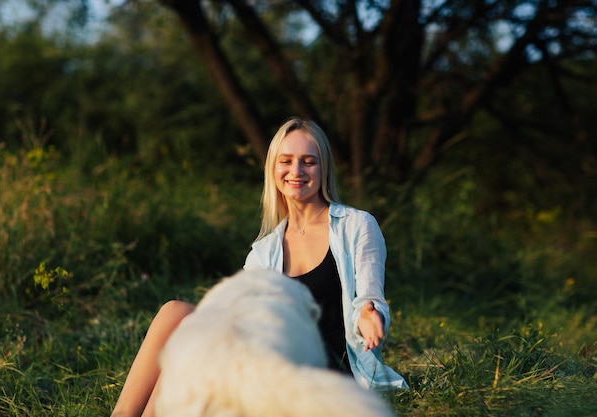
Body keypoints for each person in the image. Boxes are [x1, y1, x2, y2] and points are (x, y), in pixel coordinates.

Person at [110, 117, 407, 417]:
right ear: (273, 169)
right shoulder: (264, 252)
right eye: (286, 161)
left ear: (324, 168)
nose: (296, 171)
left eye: (308, 162)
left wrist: (370, 313)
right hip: (272, 366)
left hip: (328, 373)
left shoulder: (356, 225)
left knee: (193, 328)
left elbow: (369, 295)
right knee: (176, 312)